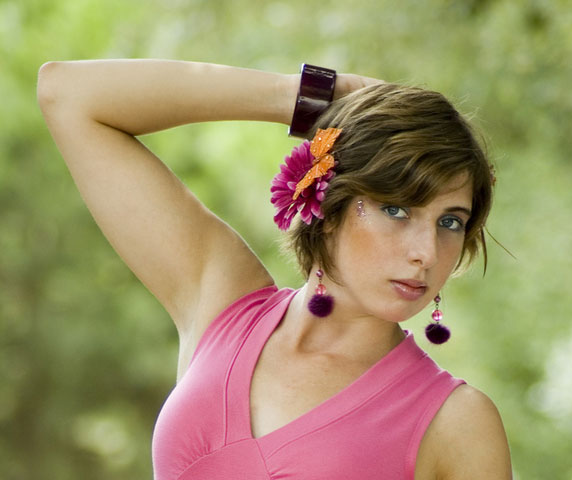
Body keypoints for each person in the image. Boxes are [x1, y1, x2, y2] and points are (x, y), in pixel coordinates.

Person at [37, 59, 512, 479]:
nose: (427, 252)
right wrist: (305, 99)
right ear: (327, 199)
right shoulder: (221, 297)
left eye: (451, 221)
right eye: (398, 210)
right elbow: (69, 93)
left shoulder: (457, 422)